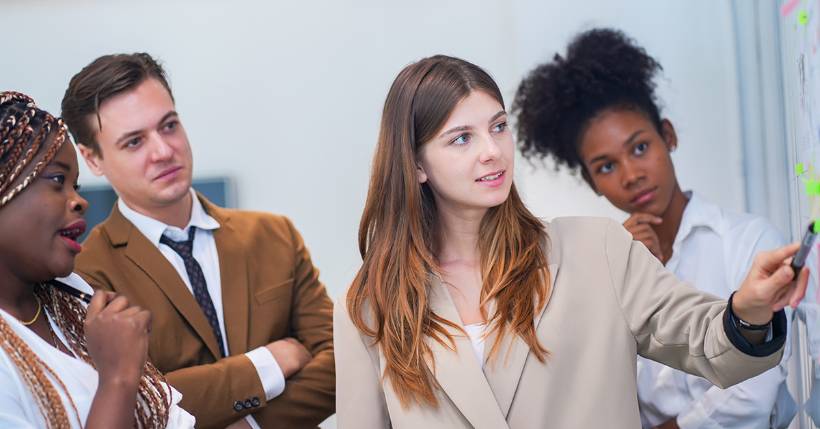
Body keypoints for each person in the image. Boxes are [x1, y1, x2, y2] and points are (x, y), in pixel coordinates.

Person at [333, 55, 807, 429]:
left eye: (499, 126)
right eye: (461, 138)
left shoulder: (596, 249)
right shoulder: (369, 306)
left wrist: (747, 310)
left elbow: (708, 344)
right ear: (416, 165)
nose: (492, 151)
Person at [513, 28, 794, 429]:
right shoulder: (605, 269)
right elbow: (597, 392)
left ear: (668, 136)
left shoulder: (747, 242)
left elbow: (753, 392)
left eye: (640, 147)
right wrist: (629, 272)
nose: (631, 175)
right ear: (592, 182)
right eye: (606, 166)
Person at [60, 54, 334, 429]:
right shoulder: (84, 275)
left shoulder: (274, 235)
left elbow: (340, 362)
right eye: (134, 142)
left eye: (169, 125)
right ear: (93, 159)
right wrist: (268, 363)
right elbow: (138, 400)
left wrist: (254, 425)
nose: (163, 151)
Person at [0, 91, 195, 428]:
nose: (80, 202)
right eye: (58, 180)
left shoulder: (67, 291)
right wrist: (118, 376)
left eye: (76, 185)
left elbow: (170, 417)